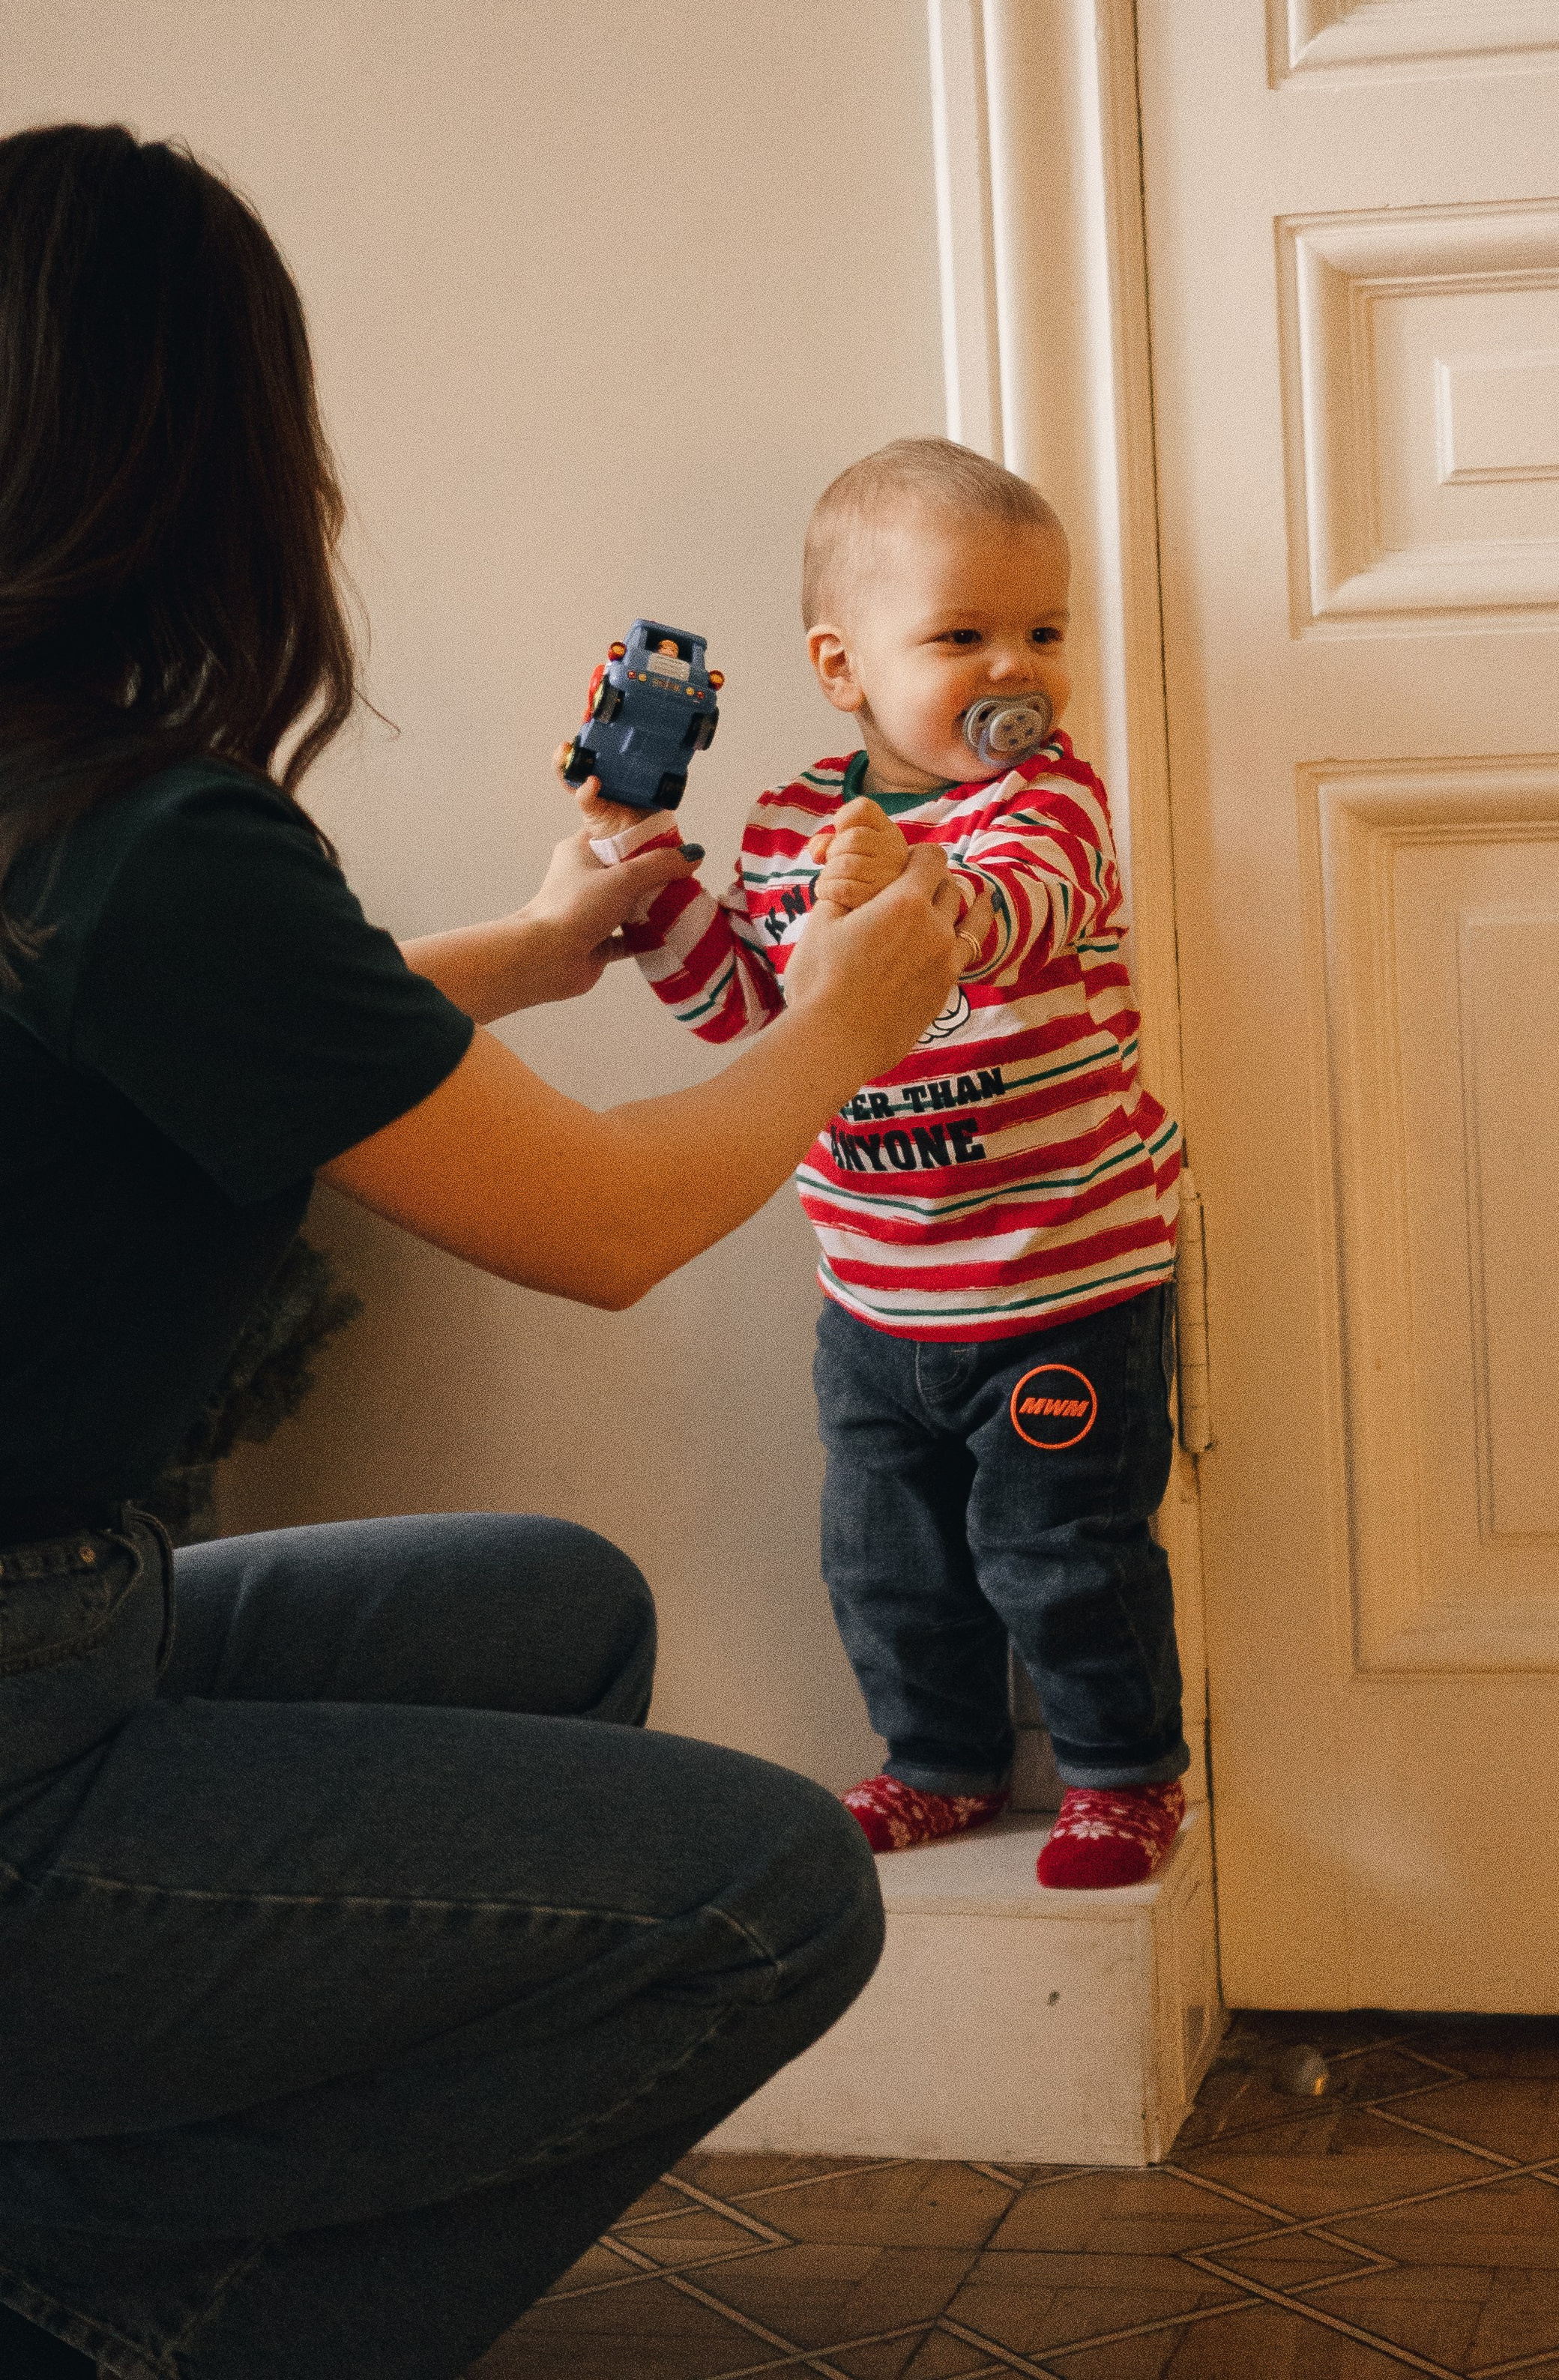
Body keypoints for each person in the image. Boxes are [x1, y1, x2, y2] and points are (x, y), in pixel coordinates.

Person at [0, 126, 969, 2380]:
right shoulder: (146, 830)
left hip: (64, 1621)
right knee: (771, 1898)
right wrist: (846, 1022)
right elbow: (610, 1226)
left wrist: (537, 953)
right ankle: (102, 2306)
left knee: (546, 1610)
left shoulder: (66, 813)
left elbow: (176, 1042)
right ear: (209, 458)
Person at [576, 439, 1188, 1896]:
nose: (1016, 670)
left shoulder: (1049, 801)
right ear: (841, 667)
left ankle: (1122, 1775)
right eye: (962, 636)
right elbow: (747, 1010)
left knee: (1063, 1551)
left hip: (1060, 1277)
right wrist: (643, 870)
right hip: (873, 1290)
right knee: (885, 1558)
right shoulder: (789, 822)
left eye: (1044, 632)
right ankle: (937, 1761)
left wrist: (914, 888)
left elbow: (1015, 916)